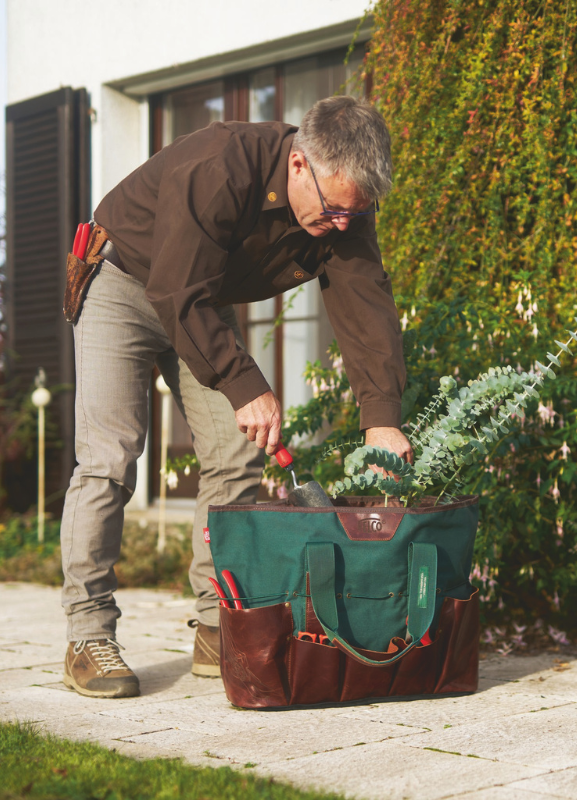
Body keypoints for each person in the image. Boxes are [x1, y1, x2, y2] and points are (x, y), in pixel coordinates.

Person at [61, 96, 412, 698]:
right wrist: (246, 386)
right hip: (124, 282)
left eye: (355, 214)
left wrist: (381, 419)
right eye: (333, 212)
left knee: (236, 457)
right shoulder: (219, 165)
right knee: (109, 458)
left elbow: (365, 303)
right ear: (299, 164)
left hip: (200, 297)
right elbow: (175, 290)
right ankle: (88, 634)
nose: (342, 226)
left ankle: (214, 623)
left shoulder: (344, 204)